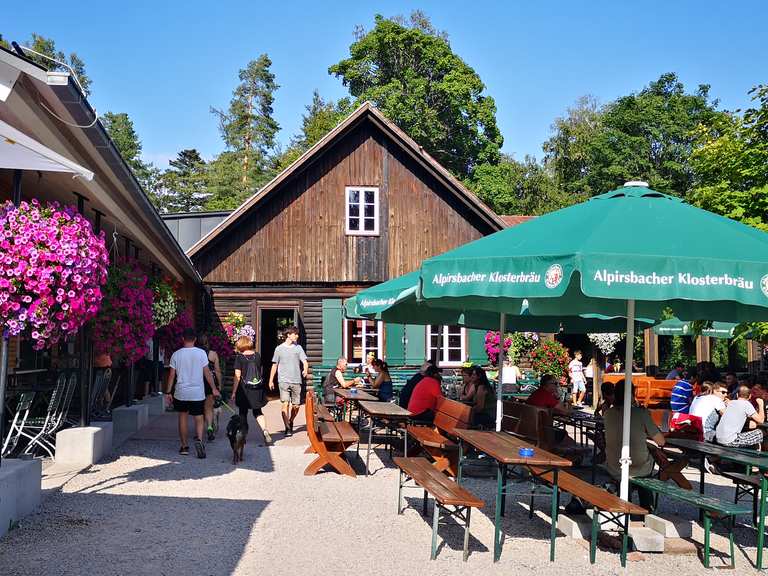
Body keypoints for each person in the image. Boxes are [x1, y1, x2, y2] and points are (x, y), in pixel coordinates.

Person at [603, 379, 666, 510]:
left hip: (613, 464)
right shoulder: (640, 413)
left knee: (642, 456)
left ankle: (627, 498)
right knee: (649, 461)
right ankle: (647, 506)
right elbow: (661, 441)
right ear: (632, 394)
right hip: (635, 465)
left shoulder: (608, 414)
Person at [165, 328, 218, 458]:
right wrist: (214, 388)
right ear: (194, 339)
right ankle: (199, 440)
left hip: (181, 392)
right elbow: (207, 373)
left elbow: (171, 375)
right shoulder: (201, 354)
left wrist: (168, 392)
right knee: (199, 417)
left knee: (183, 417)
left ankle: (184, 446)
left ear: (183, 339)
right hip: (197, 392)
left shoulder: (176, 354)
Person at [268, 326, 308, 437]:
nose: (297, 336)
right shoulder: (279, 349)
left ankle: (291, 420)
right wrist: (271, 380)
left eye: (297, 334)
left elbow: (304, 361)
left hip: (296, 380)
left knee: (296, 406)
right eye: (295, 334)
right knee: (285, 404)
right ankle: (287, 427)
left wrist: (305, 369)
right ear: (288, 335)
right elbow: (274, 365)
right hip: (283, 380)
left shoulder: (298, 348)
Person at [230, 335, 271, 445]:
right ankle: (265, 430)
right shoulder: (257, 356)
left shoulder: (239, 358)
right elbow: (260, 371)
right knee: (258, 412)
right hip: (257, 388)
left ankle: (243, 436)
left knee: (243, 413)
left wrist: (234, 392)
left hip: (244, 390)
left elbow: (237, 376)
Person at [197, 333, 223, 441]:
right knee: (209, 407)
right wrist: (219, 385)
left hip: (198, 381)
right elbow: (217, 371)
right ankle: (209, 427)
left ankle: (199, 431)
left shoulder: (196, 353)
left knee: (199, 407)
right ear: (207, 342)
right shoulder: (213, 354)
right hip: (210, 382)